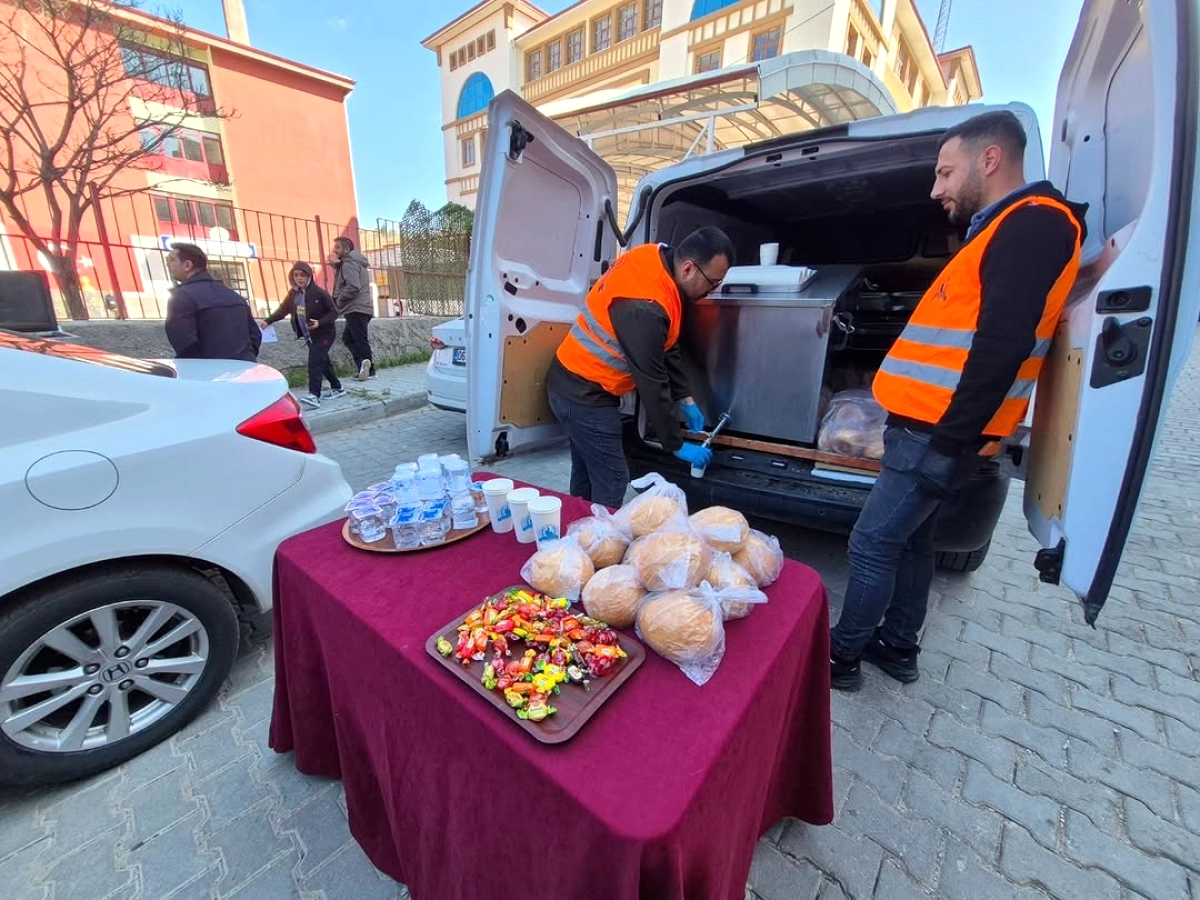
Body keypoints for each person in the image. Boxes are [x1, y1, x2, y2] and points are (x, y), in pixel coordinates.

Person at [829, 110, 1089, 691]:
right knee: (913, 539)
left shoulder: (1033, 225)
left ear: (989, 159)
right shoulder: (1009, 228)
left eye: (945, 173)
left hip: (936, 432)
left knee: (871, 543)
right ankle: (898, 647)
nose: (936, 189)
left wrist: (952, 442)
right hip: (928, 429)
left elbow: (1002, 343)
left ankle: (839, 659)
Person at [546, 227, 735, 509]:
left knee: (587, 471)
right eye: (713, 282)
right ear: (688, 269)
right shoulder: (644, 306)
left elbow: (666, 343)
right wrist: (676, 444)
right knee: (612, 477)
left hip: (575, 383)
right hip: (583, 394)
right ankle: (601, 545)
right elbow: (651, 379)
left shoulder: (654, 259)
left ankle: (579, 534)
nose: (712, 291)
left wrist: (687, 399)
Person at [261, 262, 345, 410]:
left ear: (309, 276)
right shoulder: (293, 294)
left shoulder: (320, 293)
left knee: (314, 361)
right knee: (322, 361)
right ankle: (338, 388)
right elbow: (283, 310)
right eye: (296, 275)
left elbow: (334, 312)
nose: (299, 278)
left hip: (324, 333)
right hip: (309, 335)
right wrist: (268, 320)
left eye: (302, 275)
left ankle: (314, 395)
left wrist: (320, 322)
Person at [164, 242, 261, 363]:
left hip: (208, 375)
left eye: (171, 260)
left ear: (187, 265)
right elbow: (255, 335)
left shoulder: (181, 297)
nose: (168, 264)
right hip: (244, 369)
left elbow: (184, 343)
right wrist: (245, 359)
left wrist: (204, 368)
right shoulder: (234, 295)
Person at [329, 236, 375, 381]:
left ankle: (370, 371)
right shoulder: (355, 262)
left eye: (337, 248)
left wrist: (340, 300)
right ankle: (364, 366)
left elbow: (353, 287)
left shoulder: (349, 263)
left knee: (359, 340)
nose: (334, 250)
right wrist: (337, 266)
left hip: (356, 308)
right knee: (349, 338)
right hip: (360, 307)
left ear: (347, 249)